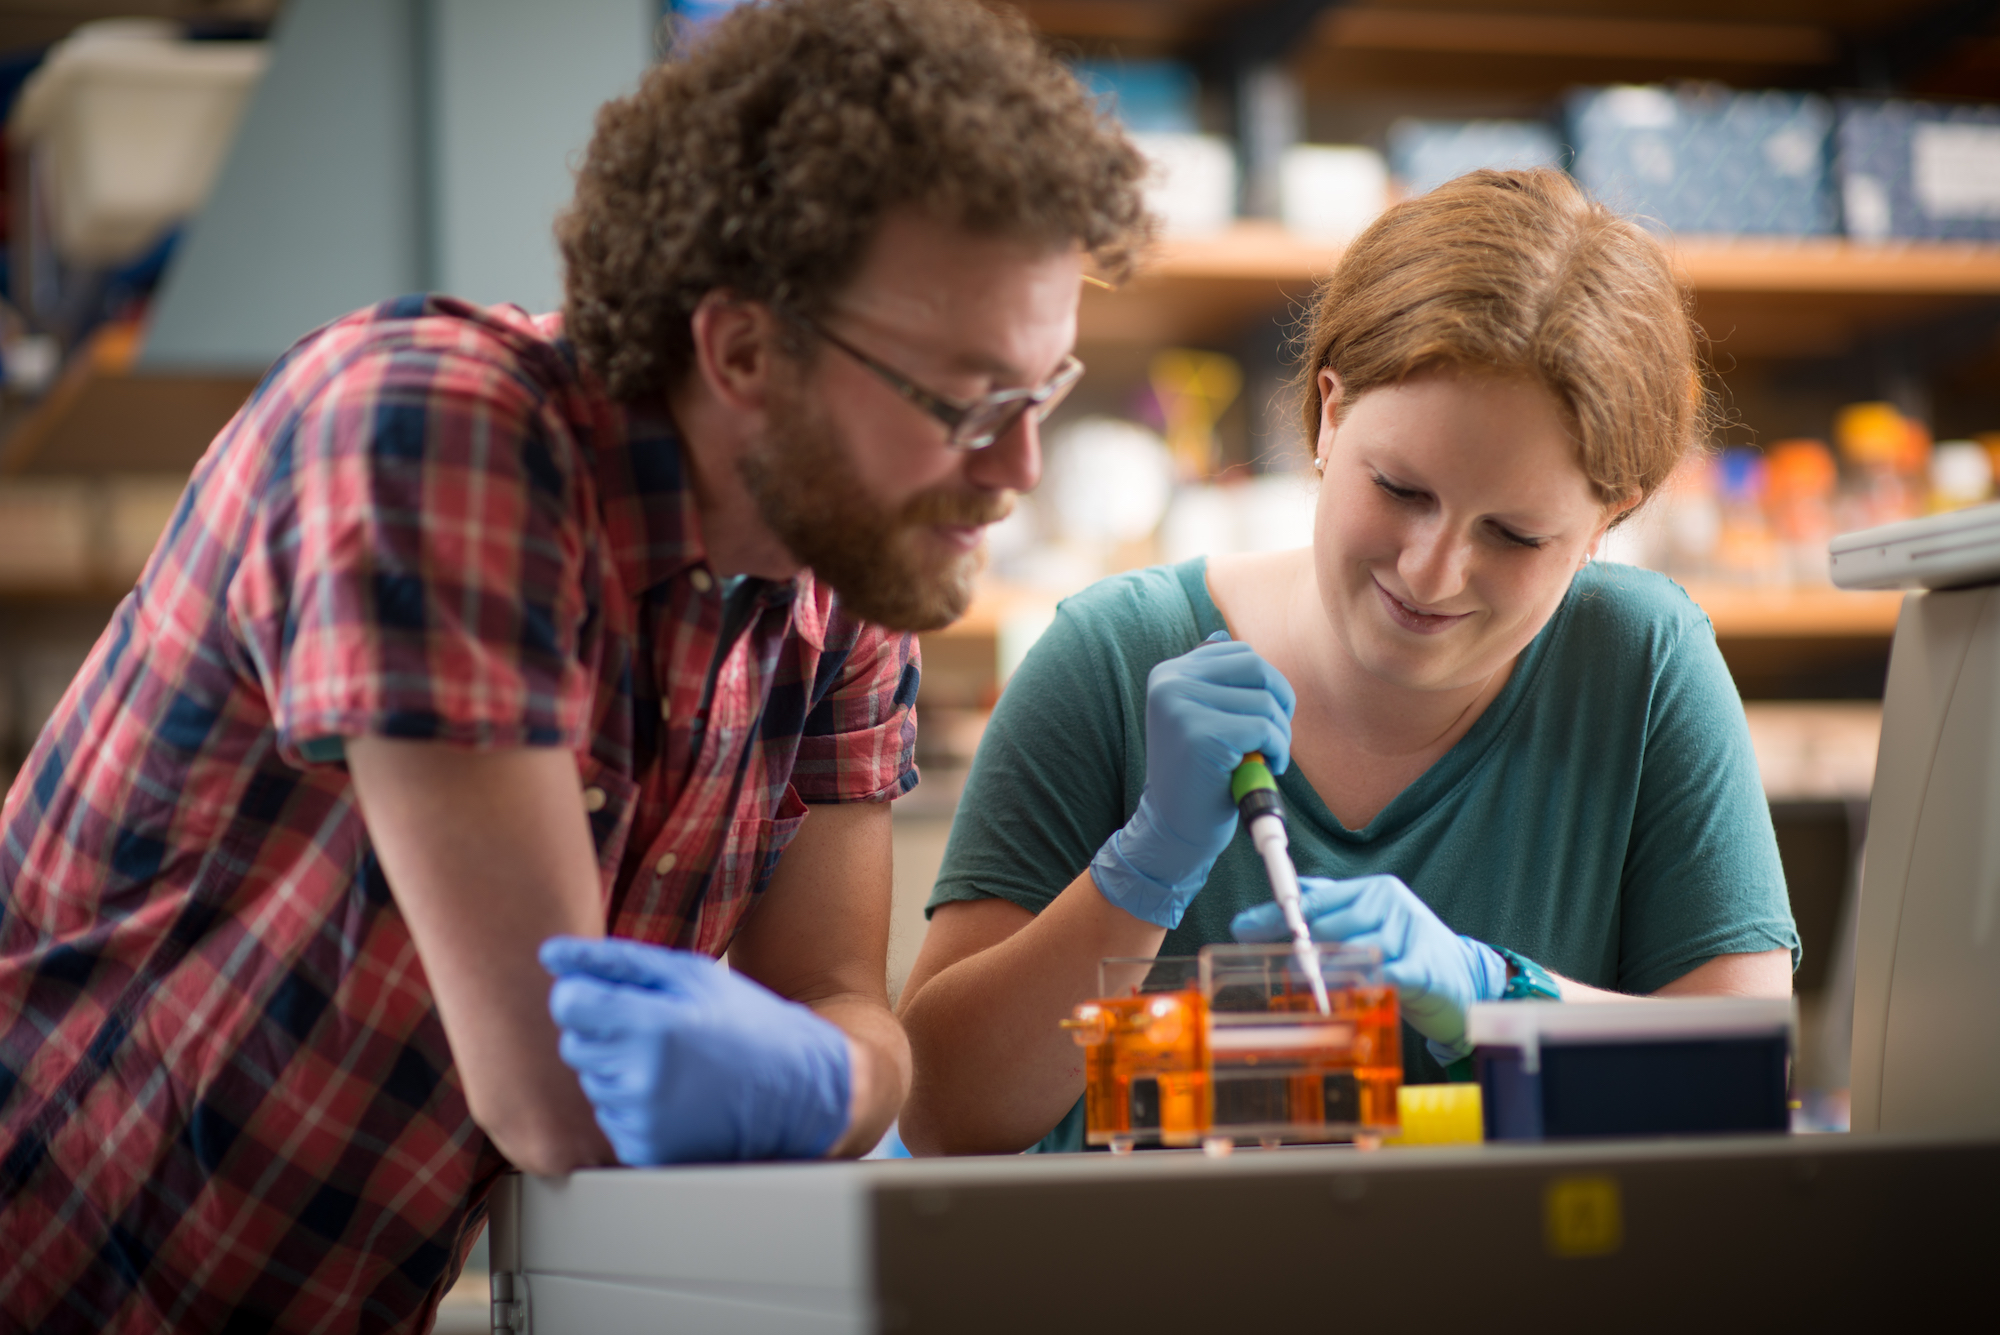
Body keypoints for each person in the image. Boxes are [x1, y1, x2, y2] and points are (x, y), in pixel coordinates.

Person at [0, 0, 1146, 1327]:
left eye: (1040, 391)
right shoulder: (430, 431)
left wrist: (838, 1078)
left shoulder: (849, 570)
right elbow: (551, 1095)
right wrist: (843, 1071)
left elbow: (842, 1005)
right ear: (744, 351)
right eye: (968, 402)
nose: (1019, 469)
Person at [897, 168, 1799, 1157]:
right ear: (1329, 414)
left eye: (1512, 533)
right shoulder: (1113, 656)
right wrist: (1142, 867)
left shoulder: (1639, 666)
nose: (1432, 569)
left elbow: (1738, 1083)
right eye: (1401, 489)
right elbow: (944, 1116)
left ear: (1604, 525)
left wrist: (1492, 994)